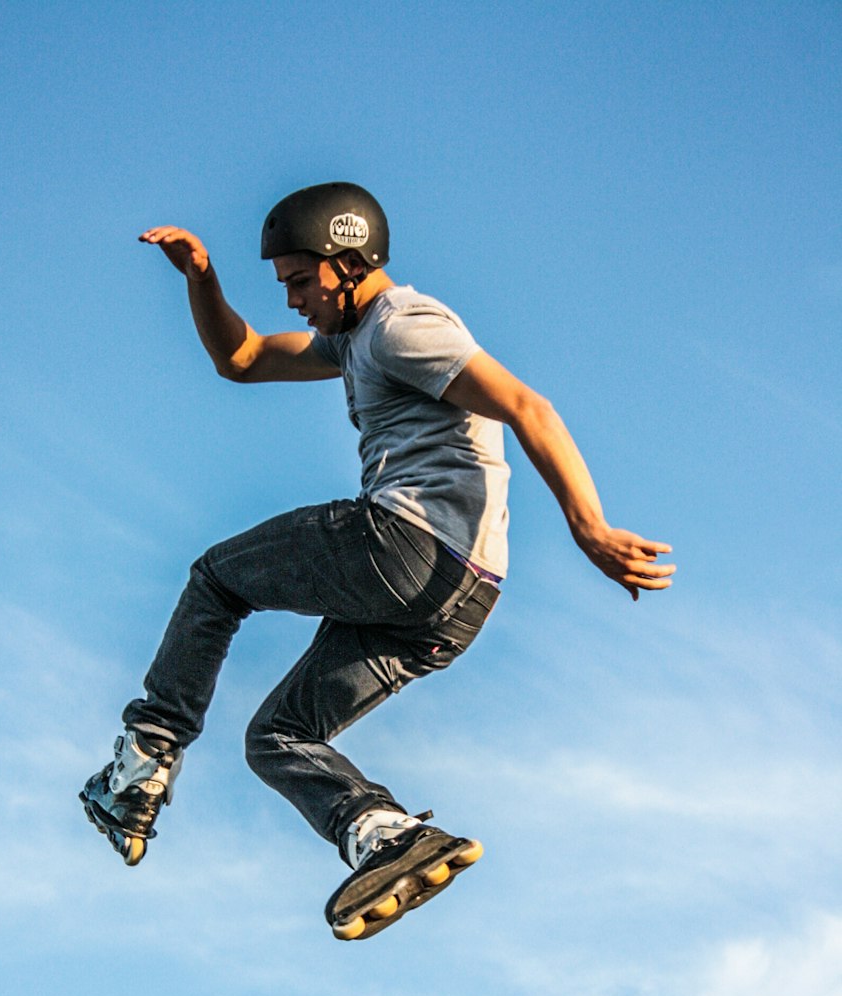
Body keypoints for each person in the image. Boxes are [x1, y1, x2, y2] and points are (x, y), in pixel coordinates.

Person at [81, 182, 675, 940]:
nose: (294, 300)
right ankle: (386, 837)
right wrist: (202, 278)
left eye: (302, 281)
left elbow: (529, 406)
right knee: (278, 737)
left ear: (350, 260)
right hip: (459, 600)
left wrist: (589, 526)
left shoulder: (401, 326)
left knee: (216, 578)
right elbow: (243, 358)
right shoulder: (355, 337)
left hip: (401, 541)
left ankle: (142, 760)